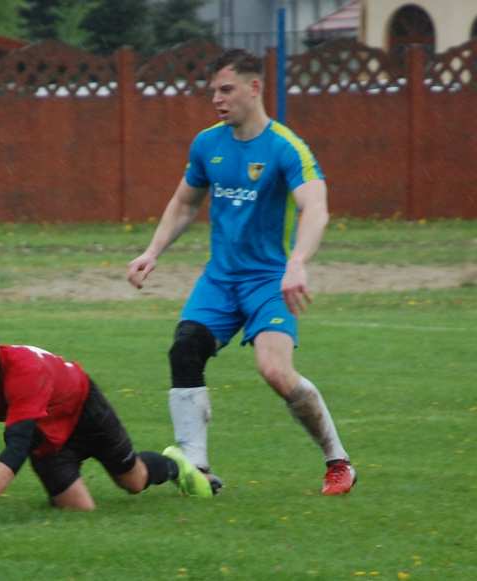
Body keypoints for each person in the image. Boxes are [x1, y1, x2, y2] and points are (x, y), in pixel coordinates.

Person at [126, 49, 356, 496]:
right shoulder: (207, 144)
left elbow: (316, 208)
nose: (217, 98)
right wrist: (152, 250)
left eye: (226, 89)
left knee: (275, 371)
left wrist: (297, 263)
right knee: (185, 349)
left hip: (268, 281)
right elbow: (185, 202)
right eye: (213, 90)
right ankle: (197, 468)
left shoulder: (286, 147)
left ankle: (337, 460)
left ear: (254, 88)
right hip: (220, 279)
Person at [0, 314, 212, 526]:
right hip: (45, 432)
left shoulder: (24, 371)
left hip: (84, 407)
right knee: (81, 512)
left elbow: (15, 448)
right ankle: (62, 487)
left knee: (133, 481)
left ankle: (175, 464)